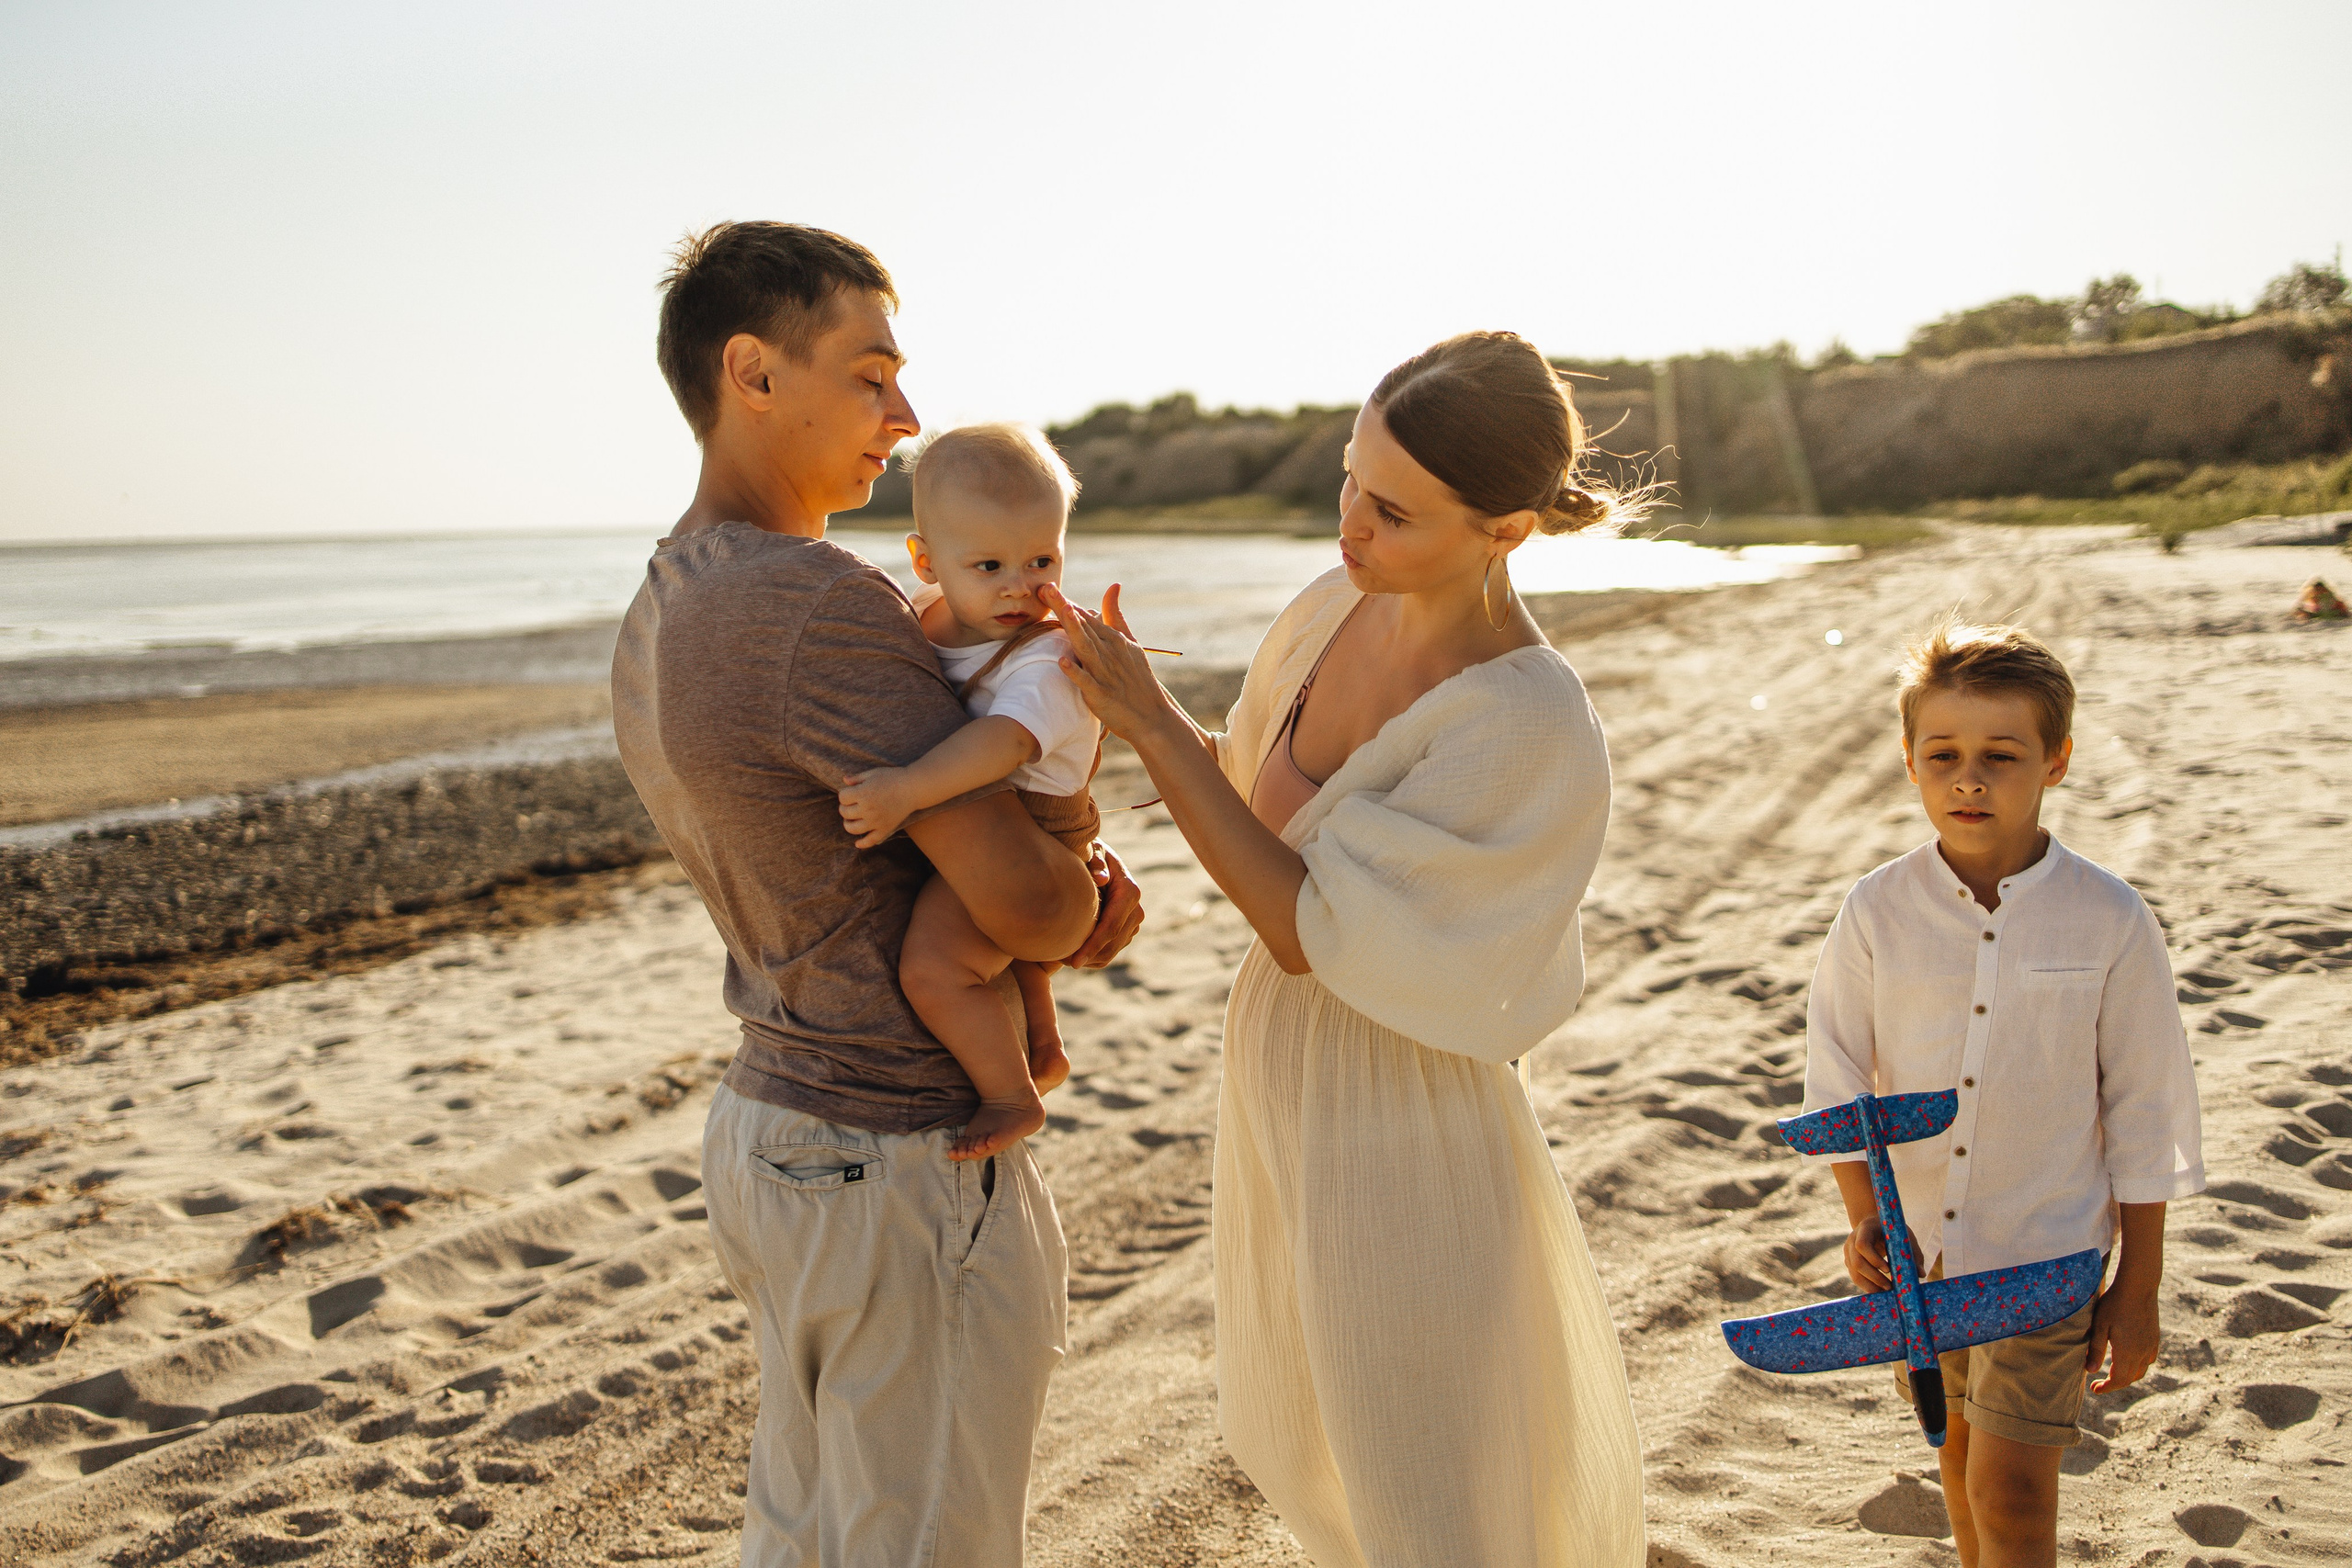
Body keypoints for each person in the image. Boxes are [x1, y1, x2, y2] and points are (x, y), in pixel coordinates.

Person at [1046, 331, 1646, 1567]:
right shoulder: (1332, 606)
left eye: (1393, 511)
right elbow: (1246, 796)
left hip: (1402, 1114)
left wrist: (1149, 723)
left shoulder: (1526, 721)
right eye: (1348, 482)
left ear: (1505, 530)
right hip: (1284, 1090)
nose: (1350, 526)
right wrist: (1091, 755)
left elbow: (1305, 923)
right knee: (1321, 1450)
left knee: (1428, 1494)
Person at [610, 221, 1142, 1568]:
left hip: (773, 1124)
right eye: (871, 377)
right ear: (752, 372)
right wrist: (1085, 882)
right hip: (892, 1151)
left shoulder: (663, 596)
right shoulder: (815, 602)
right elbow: (1030, 909)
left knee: (811, 1536)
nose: (904, 419)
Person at [1801, 621, 2203, 1568]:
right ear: (1910, 762)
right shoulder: (1876, 910)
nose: (1969, 780)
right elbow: (1838, 1074)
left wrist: (2137, 1286)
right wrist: (1864, 1218)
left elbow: (2147, 1107)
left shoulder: (2108, 917)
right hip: (1924, 1258)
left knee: (2013, 1491)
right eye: (1943, 755)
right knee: (1956, 1458)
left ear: (2055, 761)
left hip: (2047, 1254)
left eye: (2001, 756)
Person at [837, 423, 1102, 1161]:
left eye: (1042, 560)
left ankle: (1011, 1095)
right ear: (926, 560)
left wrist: (907, 789)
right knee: (1003, 953)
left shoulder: (1045, 657)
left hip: (1040, 837)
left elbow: (1005, 743)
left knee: (936, 969)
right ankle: (1042, 1046)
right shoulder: (921, 612)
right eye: (989, 565)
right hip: (998, 827)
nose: (1020, 585)